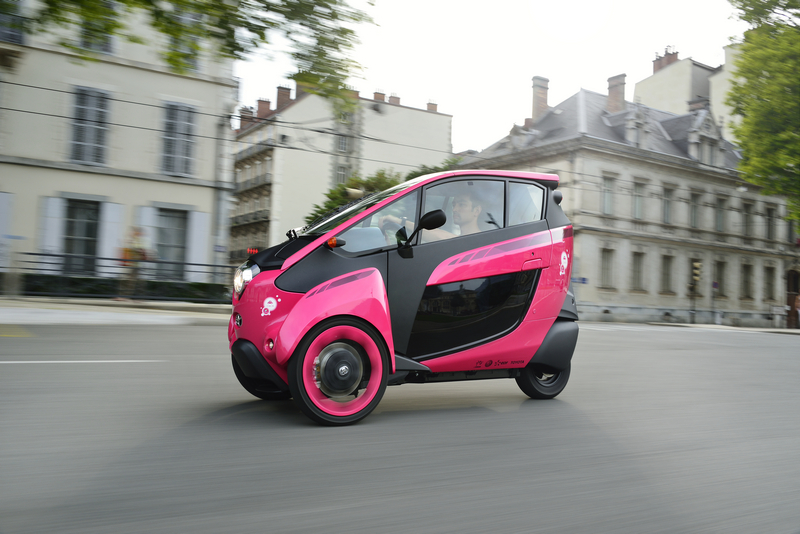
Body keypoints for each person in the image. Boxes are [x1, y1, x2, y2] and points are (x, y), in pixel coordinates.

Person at [119, 227, 149, 299]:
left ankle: (127, 297)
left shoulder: (141, 240)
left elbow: (139, 250)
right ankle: (135, 297)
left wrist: (132, 244)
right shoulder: (135, 240)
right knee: (133, 280)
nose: (132, 233)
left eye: (134, 232)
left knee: (132, 281)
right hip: (133, 264)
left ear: (138, 233)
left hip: (137, 264)